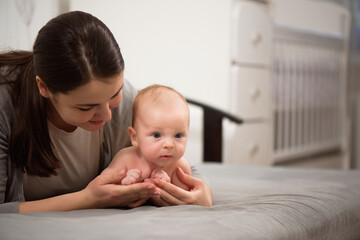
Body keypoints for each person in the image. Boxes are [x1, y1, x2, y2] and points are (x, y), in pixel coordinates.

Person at [0, 11, 212, 213]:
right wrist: (87, 199)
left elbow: (175, 163)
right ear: (44, 88)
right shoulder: (5, 105)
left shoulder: (127, 99)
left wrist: (201, 193)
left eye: (114, 96)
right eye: (86, 107)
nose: (108, 116)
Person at [102, 85, 192, 194]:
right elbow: (103, 185)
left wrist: (167, 184)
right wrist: (123, 182)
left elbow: (186, 195)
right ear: (135, 137)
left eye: (178, 135)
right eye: (156, 135)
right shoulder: (125, 159)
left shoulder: (180, 167)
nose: (169, 144)